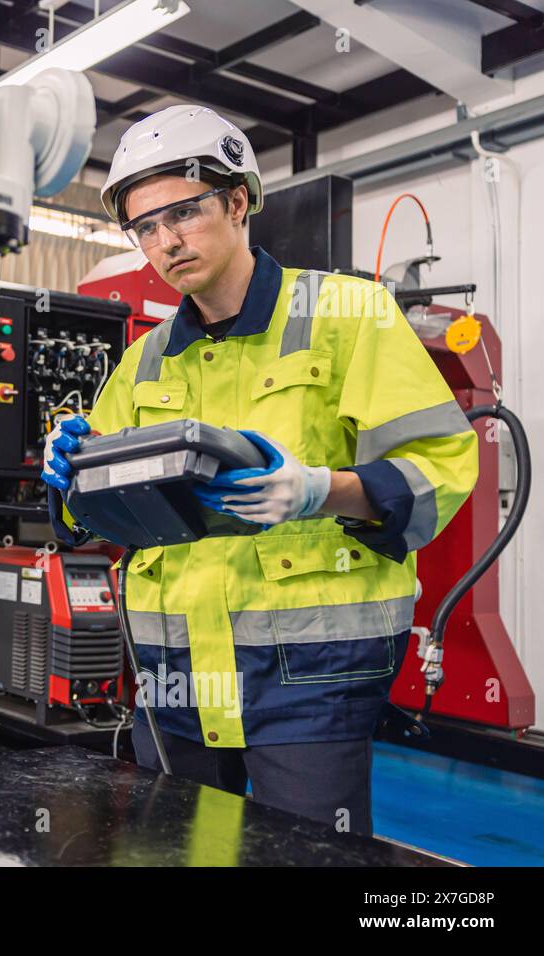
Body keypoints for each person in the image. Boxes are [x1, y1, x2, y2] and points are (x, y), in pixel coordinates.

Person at [41, 104, 479, 837]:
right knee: (179, 856)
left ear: (238, 200)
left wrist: (321, 490)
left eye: (183, 212)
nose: (164, 241)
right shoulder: (142, 362)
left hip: (308, 679)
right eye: (145, 226)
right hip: (174, 679)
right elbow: (93, 517)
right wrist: (70, 479)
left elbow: (442, 463)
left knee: (307, 858)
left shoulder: (349, 315)